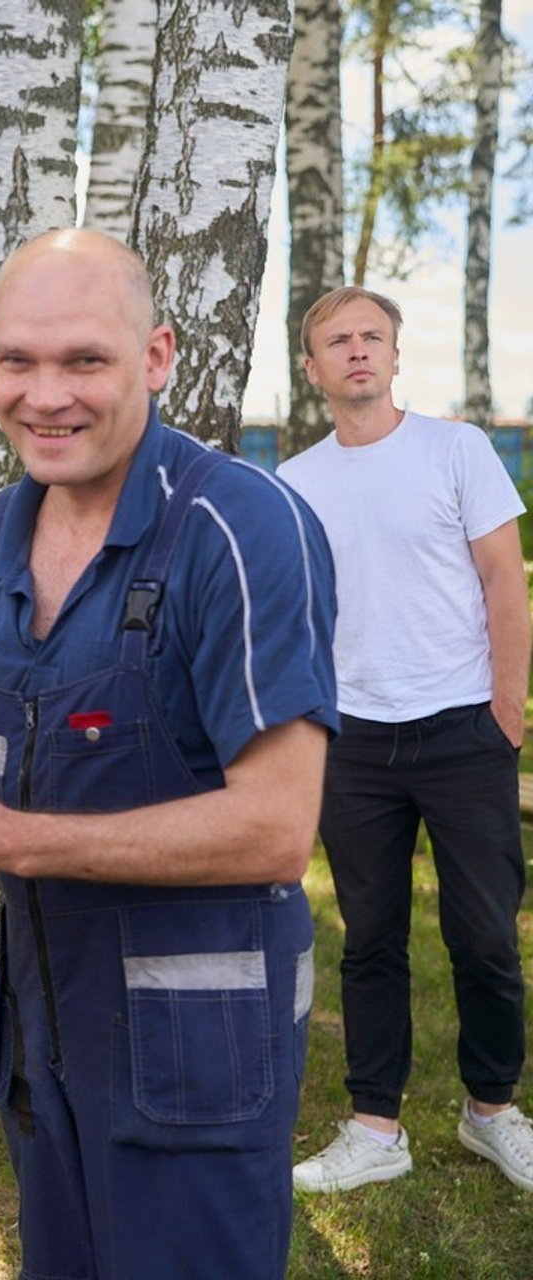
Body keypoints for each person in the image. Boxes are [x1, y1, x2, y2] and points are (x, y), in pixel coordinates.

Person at [0, 229, 339, 1278]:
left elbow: (277, 827)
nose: (43, 395)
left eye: (83, 361)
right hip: (42, 1045)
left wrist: (10, 839)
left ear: (156, 356)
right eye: (17, 360)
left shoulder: (240, 527)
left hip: (195, 1061)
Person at [278, 286, 533, 1195]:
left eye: (371, 338)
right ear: (312, 370)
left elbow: (506, 580)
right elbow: (291, 616)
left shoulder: (455, 449)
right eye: (336, 341)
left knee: (485, 937)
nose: (356, 352)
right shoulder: (295, 483)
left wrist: (508, 708)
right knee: (371, 939)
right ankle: (376, 1127)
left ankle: (492, 1111)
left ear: (393, 356)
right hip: (354, 741)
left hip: (465, 727)